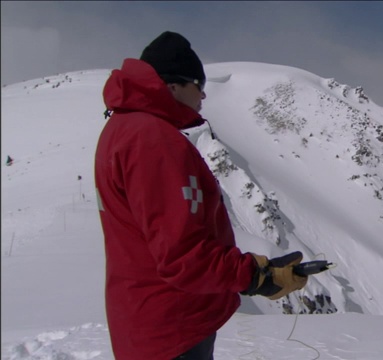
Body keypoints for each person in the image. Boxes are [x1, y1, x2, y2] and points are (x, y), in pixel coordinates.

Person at [94, 31, 308, 360]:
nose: (204, 96)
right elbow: (182, 255)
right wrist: (257, 276)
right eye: (199, 85)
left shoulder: (121, 129)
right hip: (173, 326)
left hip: (146, 320)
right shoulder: (153, 141)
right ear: (173, 85)